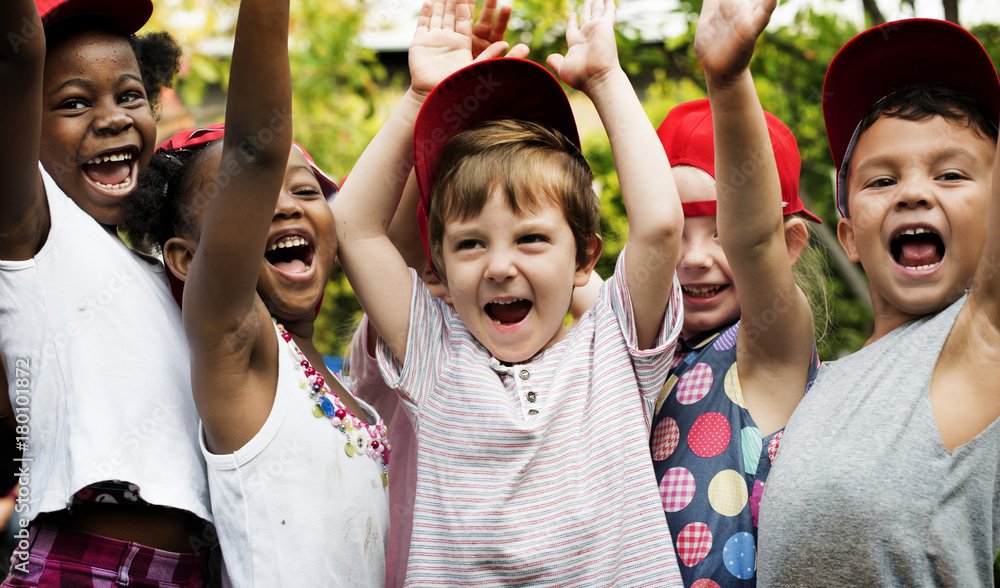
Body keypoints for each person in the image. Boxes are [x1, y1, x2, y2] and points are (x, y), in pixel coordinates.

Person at [332, 0, 686, 583]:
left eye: (531, 239)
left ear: (585, 259)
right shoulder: (434, 354)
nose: (499, 266)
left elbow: (660, 227)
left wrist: (605, 79)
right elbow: (352, 227)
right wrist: (421, 97)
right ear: (437, 270)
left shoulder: (615, 348)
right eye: (470, 244)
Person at [118, 0, 394, 584]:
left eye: (305, 191)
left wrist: (426, 93)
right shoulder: (240, 352)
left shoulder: (349, 383)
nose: (286, 204)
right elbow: (254, 150)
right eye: (249, 202)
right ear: (188, 260)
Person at [757, 17, 1000, 586]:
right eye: (882, 181)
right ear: (848, 238)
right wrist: (725, 78)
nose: (915, 191)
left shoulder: (980, 342)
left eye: (952, 173)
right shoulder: (820, 382)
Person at [0, 1, 211, 584]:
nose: (114, 117)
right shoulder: (32, 234)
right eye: (73, 102)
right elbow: (16, 64)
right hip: (89, 565)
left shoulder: (158, 266)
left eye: (130, 94)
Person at [648, 0, 824, 584]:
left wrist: (727, 81)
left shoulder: (770, 349)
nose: (696, 256)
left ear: (790, 243)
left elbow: (755, 246)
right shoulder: (636, 343)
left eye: (720, 228)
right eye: (675, 230)